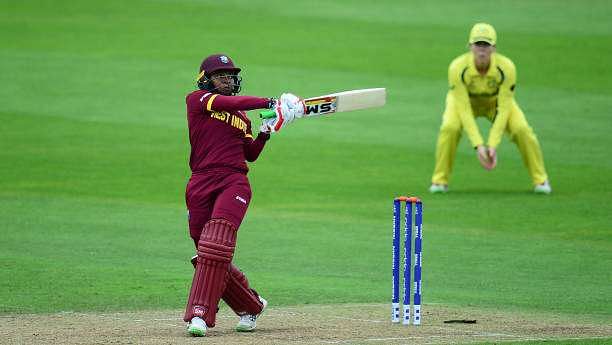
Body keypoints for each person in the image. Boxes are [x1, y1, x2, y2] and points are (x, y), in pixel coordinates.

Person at [183, 53, 304, 337]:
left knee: (216, 245)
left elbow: (250, 155)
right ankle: (252, 305)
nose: (227, 80)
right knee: (206, 253)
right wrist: (270, 102)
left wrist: (265, 131)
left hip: (234, 181)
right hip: (200, 181)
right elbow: (231, 102)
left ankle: (199, 315)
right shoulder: (198, 100)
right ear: (205, 79)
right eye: (220, 76)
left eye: (230, 76)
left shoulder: (241, 119)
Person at [429, 23, 551, 194]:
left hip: (495, 104)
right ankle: (439, 181)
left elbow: (504, 108)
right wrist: (479, 146)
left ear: (494, 48)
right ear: (470, 46)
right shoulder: (457, 68)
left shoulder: (506, 68)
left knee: (522, 129)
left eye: (486, 45)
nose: (482, 49)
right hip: (465, 103)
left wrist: (492, 145)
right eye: (478, 44)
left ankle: (541, 180)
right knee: (449, 128)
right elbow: (463, 108)